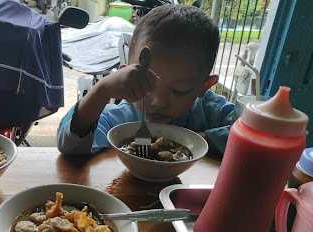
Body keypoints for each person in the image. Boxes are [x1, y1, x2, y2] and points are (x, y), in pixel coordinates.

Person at [57, 5, 235, 155]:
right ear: (126, 74)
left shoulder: (211, 112)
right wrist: (102, 90)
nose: (158, 102)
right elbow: (70, 147)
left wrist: (193, 143)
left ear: (204, 86)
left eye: (179, 91)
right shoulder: (118, 120)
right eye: (147, 85)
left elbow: (255, 132)